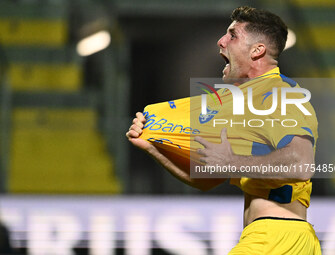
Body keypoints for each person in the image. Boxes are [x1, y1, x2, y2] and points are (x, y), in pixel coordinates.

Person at [126, 6, 321, 254]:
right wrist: (151, 145)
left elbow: (301, 164)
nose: (221, 41)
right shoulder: (249, 101)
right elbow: (206, 179)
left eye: (233, 35)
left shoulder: (279, 94)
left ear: (257, 50)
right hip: (278, 237)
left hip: (277, 237)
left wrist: (231, 160)